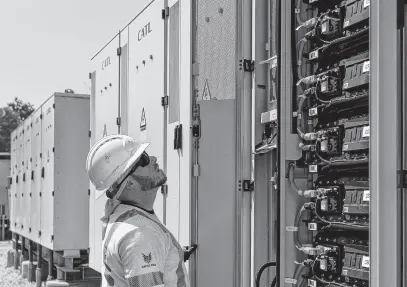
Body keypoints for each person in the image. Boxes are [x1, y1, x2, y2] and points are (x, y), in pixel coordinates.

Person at [86, 134, 195, 287]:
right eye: (142, 159)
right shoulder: (139, 235)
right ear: (129, 183)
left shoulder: (124, 217)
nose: (153, 159)